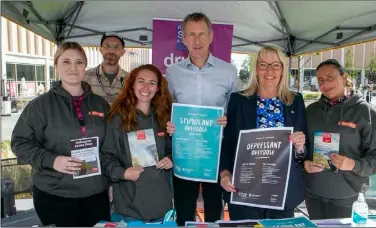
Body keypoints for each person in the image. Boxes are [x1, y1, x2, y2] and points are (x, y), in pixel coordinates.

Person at [11, 42, 111, 227]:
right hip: (55, 196)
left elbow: (110, 146)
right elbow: (20, 143)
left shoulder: (100, 105)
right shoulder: (40, 106)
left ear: (85, 66)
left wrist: (111, 181)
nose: (73, 67)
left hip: (96, 195)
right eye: (66, 61)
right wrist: (52, 160)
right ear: (56, 66)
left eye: (79, 62)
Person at [165, 12, 240, 226]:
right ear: (183, 39)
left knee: (215, 212)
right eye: (191, 34)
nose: (196, 40)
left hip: (215, 153)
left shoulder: (228, 71)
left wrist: (228, 118)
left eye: (201, 34)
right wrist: (168, 124)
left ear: (211, 36)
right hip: (184, 154)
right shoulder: (172, 72)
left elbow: (235, 112)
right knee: (184, 210)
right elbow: (165, 109)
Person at [219, 45, 308, 220]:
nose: (269, 70)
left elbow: (304, 150)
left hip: (282, 192)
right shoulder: (239, 100)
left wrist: (300, 147)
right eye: (263, 65)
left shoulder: (295, 101)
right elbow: (227, 144)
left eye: (275, 65)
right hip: (245, 190)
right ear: (256, 69)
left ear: (283, 69)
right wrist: (224, 173)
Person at [303, 59, 376, 219]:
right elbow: (301, 149)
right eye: (320, 80)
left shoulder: (366, 112)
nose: (325, 84)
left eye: (330, 77)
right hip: (313, 192)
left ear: (344, 77)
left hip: (348, 195)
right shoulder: (311, 112)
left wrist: (353, 164)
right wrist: (305, 164)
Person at [101, 64, 174, 222]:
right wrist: (123, 173)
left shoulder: (165, 117)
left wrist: (170, 159)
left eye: (152, 83)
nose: (146, 87)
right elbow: (105, 156)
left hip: (161, 203)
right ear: (132, 84)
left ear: (157, 89)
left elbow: (173, 149)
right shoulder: (117, 118)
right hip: (129, 203)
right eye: (141, 81)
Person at [85, 34, 129, 104]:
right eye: (107, 46)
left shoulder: (130, 79)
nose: (111, 50)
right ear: (101, 50)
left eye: (116, 47)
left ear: (122, 52)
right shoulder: (85, 77)